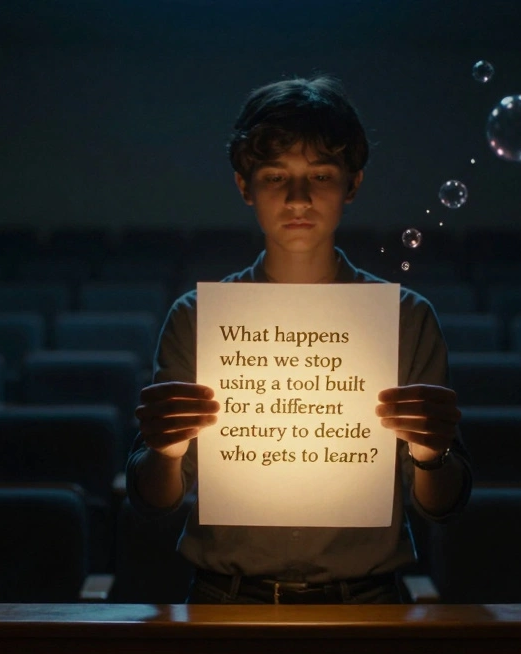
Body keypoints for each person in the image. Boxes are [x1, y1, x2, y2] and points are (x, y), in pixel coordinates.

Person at [125, 75, 472, 604]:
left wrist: (429, 454)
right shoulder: (198, 319)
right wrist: (166, 451)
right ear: (245, 186)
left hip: (367, 606)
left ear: (352, 184)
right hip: (225, 602)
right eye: (274, 176)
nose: (298, 198)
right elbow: (154, 499)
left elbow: (442, 505)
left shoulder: (404, 318)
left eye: (320, 175)